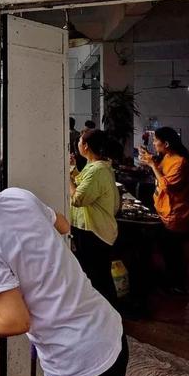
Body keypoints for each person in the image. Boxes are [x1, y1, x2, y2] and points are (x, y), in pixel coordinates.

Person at [0, 158, 127, 376]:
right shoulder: (18, 196)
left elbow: (15, 320)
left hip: (78, 366)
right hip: (110, 331)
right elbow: (64, 225)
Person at [140, 126, 189, 293]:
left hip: (176, 215)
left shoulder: (180, 162)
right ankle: (171, 280)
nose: (155, 143)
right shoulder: (167, 157)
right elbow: (160, 173)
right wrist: (150, 161)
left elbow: (167, 185)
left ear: (166, 143)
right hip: (164, 211)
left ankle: (177, 285)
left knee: (173, 252)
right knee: (167, 249)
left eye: (156, 140)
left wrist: (152, 165)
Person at [69, 129, 120, 305]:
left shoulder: (97, 170)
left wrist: (67, 175)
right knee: (96, 276)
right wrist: (73, 170)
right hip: (91, 229)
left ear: (86, 146)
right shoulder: (96, 166)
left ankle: (108, 316)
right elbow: (83, 185)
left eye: (79, 141)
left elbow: (78, 198)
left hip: (93, 232)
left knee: (98, 279)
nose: (77, 145)